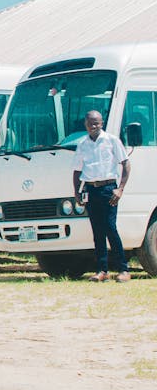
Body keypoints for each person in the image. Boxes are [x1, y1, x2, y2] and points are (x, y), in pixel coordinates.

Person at [73, 110, 131, 282]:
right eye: (90, 122)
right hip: (91, 190)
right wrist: (77, 192)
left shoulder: (112, 140)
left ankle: (124, 270)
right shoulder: (83, 144)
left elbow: (126, 165)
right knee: (97, 231)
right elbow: (77, 170)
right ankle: (102, 271)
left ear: (102, 123)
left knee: (110, 229)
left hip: (108, 190)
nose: (93, 126)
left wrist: (120, 189)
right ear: (85, 124)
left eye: (96, 122)